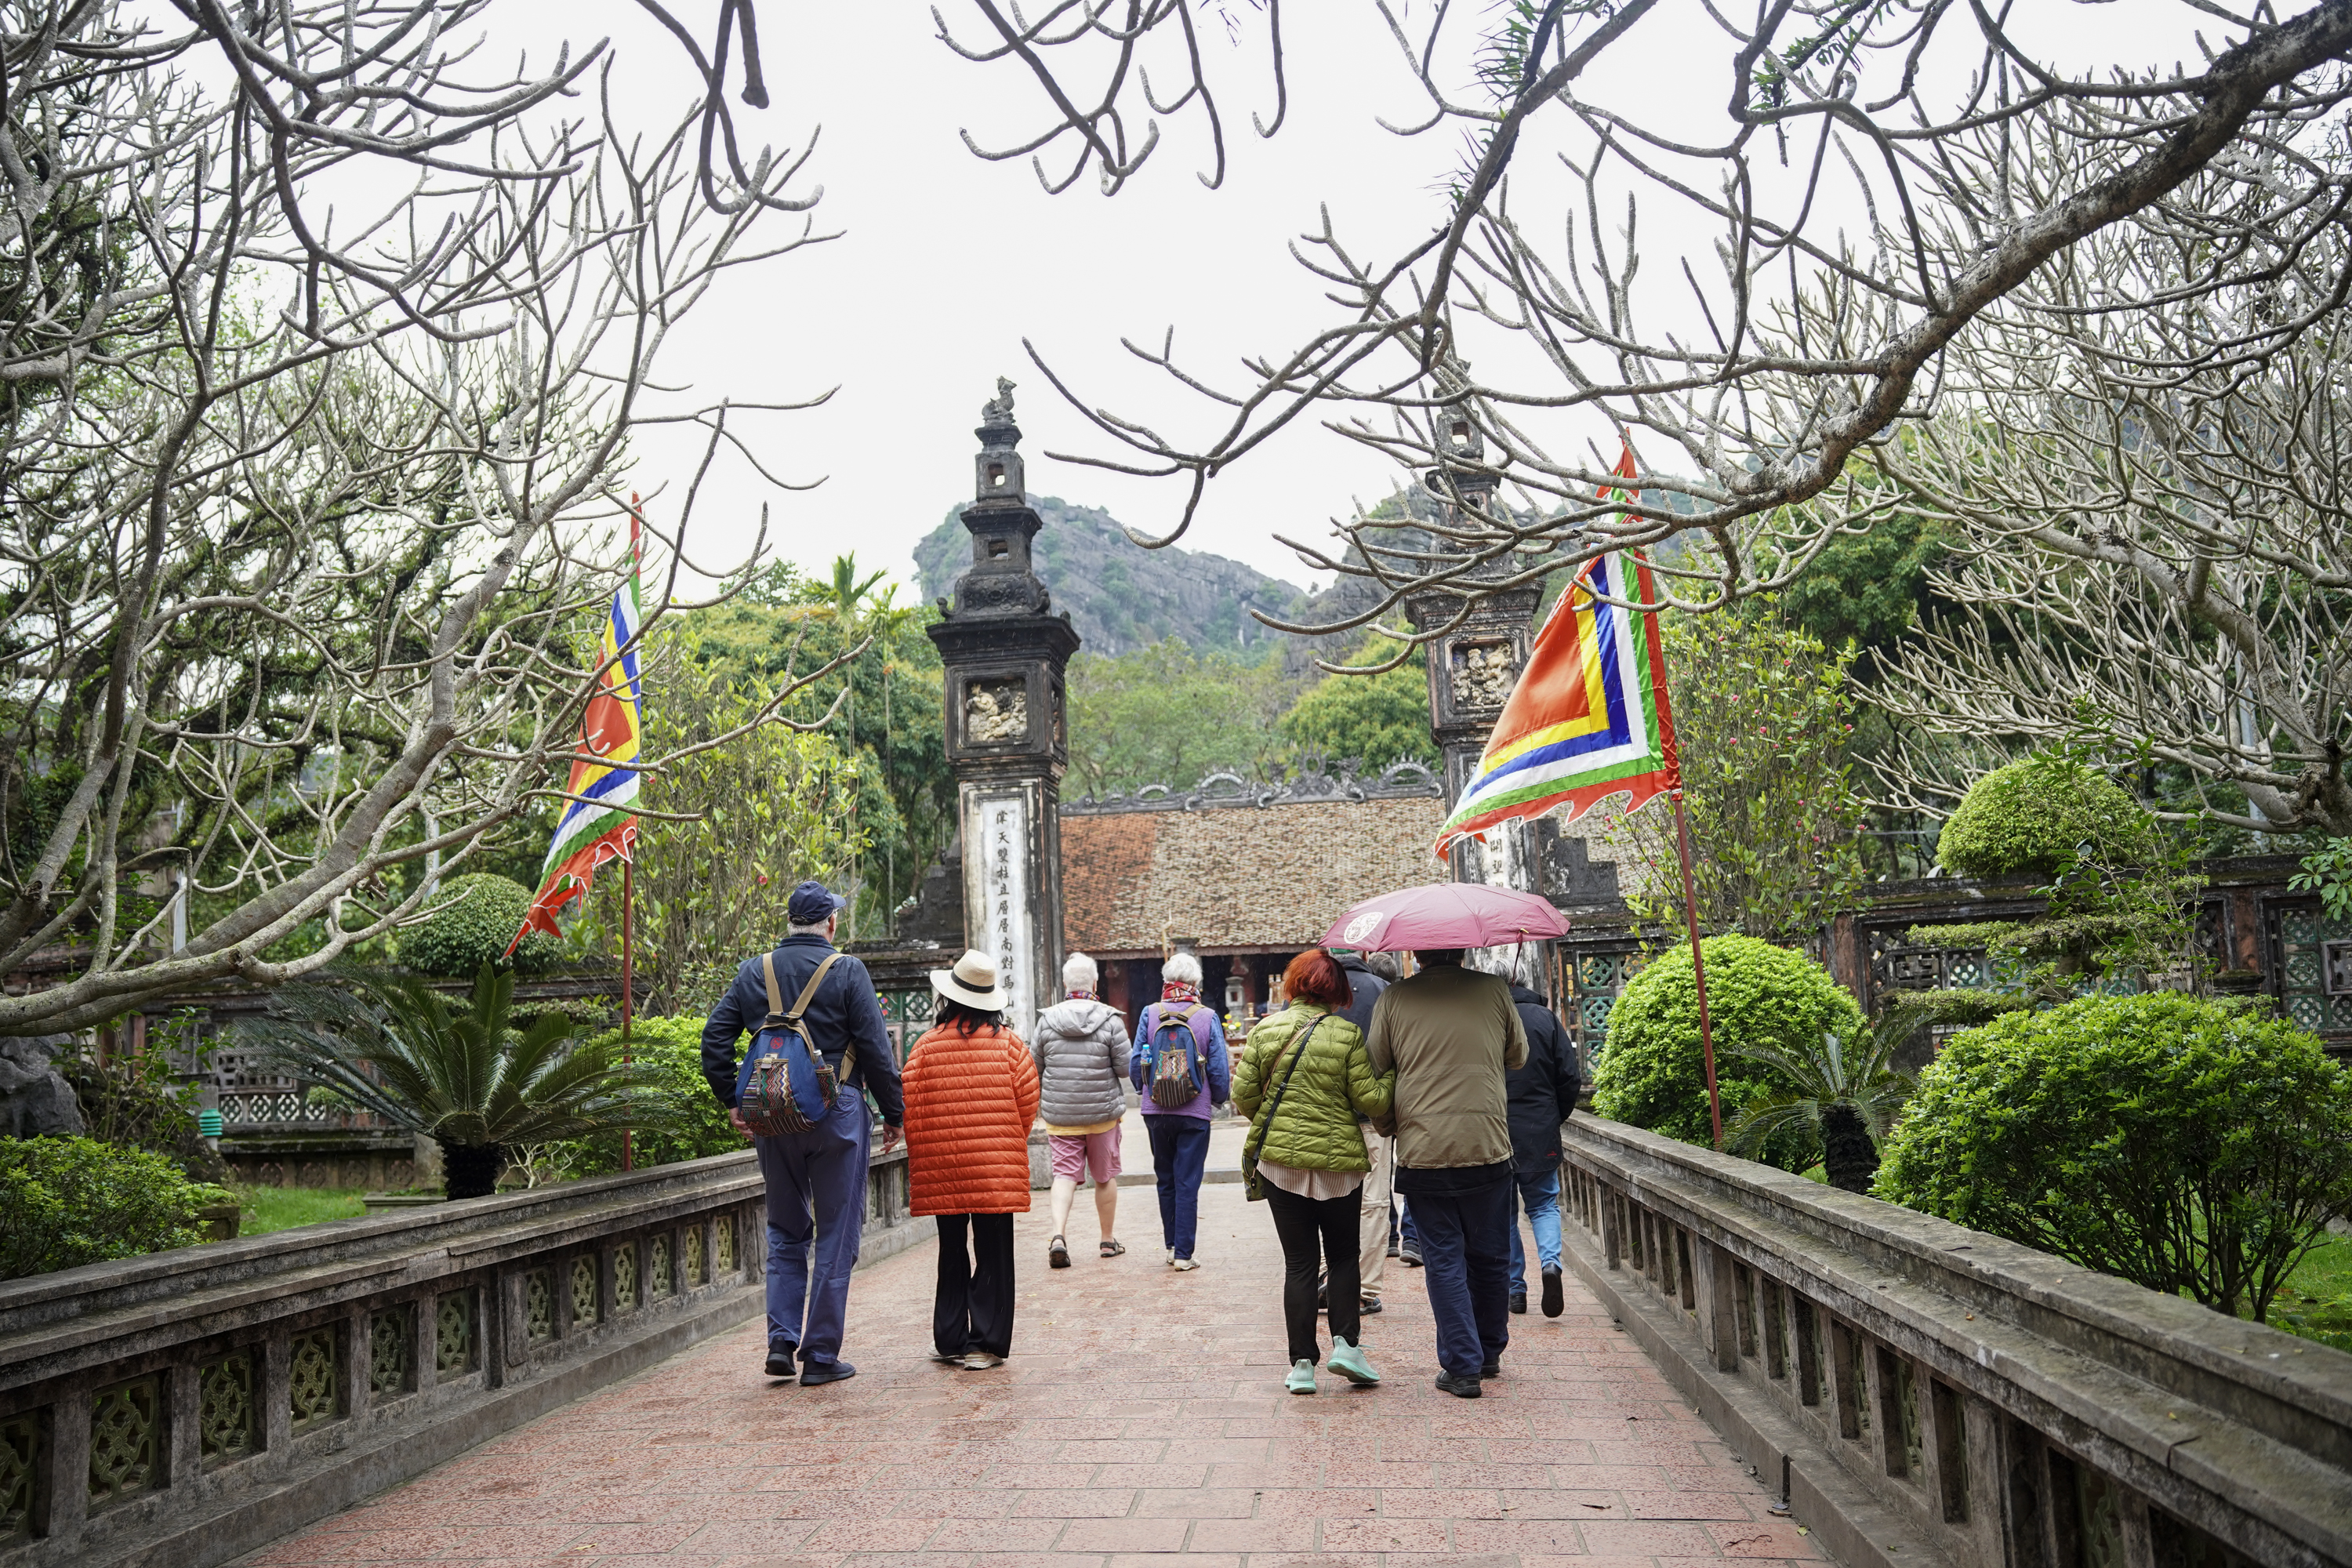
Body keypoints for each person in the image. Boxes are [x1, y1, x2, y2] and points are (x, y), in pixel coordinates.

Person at [700, 880, 904, 1387]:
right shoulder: (847, 970)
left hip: (772, 1112)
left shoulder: (756, 971)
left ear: (789, 922)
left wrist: (732, 1100)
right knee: (837, 1233)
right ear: (830, 923)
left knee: (785, 1228)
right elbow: (876, 1051)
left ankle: (780, 1341)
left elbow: (715, 1039)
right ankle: (819, 1356)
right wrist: (894, 1113)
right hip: (838, 1112)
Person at [1365, 946, 1527, 1399]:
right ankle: (1489, 1352)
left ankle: (1462, 1365)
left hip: (1424, 1148)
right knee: (1491, 1255)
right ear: (1463, 950)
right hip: (1486, 1142)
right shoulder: (1494, 989)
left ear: (1417, 954)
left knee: (1443, 1258)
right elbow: (1518, 1055)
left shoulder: (1395, 997)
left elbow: (1376, 1066)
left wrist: (1388, 1123)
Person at [1234, 949, 1396, 1394]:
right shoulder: (1346, 1034)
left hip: (1280, 1164)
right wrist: (1393, 1075)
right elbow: (1371, 1101)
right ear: (1337, 990)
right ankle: (1347, 1346)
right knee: (1343, 1256)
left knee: (1299, 1263)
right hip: (1339, 1165)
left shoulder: (1266, 1030)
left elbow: (1243, 1097)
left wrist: (1279, 1122)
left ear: (1294, 986)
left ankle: (1302, 1366)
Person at [902, 950, 1040, 1370]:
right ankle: (985, 1344)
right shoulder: (1010, 1047)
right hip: (994, 1167)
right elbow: (1028, 1105)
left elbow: (910, 1106)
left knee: (951, 1250)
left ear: (949, 997)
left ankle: (950, 1339)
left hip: (942, 1165)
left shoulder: (925, 1047)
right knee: (994, 1253)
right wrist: (1002, 1143)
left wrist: (932, 1149)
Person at [1131, 950, 1231, 1270]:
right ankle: (1184, 1255)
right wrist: (1218, 1098)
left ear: (1166, 981)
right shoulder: (1207, 1016)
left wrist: (1145, 1091)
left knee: (1166, 1179)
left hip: (1156, 1111)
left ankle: (1171, 1245)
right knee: (1187, 1180)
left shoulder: (1150, 1013)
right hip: (1194, 1112)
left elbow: (1136, 1062)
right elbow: (1218, 1068)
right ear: (1195, 983)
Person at [1033, 952, 1131, 1267]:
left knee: (1063, 1175)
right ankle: (1107, 1240)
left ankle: (1058, 1235)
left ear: (1065, 985)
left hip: (1061, 1116)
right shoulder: (1111, 1020)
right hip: (1102, 1116)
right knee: (1104, 1177)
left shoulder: (1047, 1020)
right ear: (1096, 984)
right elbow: (1125, 1069)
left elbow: (1035, 1067)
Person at [1500, 953, 1579, 1319]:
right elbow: (1569, 1076)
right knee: (1544, 1204)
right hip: (1539, 1127)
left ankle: (1515, 1289)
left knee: (1503, 1213)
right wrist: (1554, 1116)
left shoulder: (1488, 1019)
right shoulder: (1545, 1018)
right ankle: (1550, 1264)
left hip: (1496, 1129)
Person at [1329, 949, 1393, 1317]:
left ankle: (1329, 1277)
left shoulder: (1315, 991)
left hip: (1326, 1114)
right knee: (1373, 1202)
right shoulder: (1383, 990)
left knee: (1326, 1196)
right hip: (1373, 1113)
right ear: (1365, 953)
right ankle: (1365, 1289)